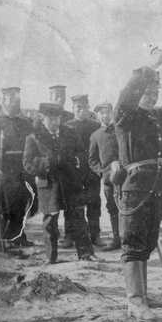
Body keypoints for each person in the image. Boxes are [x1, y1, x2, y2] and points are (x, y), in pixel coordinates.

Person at [114, 48, 162, 322]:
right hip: (134, 187)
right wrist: (150, 66)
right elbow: (127, 94)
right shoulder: (125, 115)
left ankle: (142, 294)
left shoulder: (157, 117)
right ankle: (135, 302)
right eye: (147, 92)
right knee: (133, 242)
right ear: (138, 94)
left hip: (157, 184)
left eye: (155, 92)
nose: (152, 96)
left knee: (147, 241)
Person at [23, 103, 102, 264]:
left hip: (70, 182)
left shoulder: (70, 133)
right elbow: (28, 163)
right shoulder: (33, 138)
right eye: (50, 119)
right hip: (49, 184)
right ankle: (50, 257)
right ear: (42, 119)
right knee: (50, 221)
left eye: (57, 118)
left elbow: (82, 153)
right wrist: (48, 163)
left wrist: (76, 161)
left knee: (78, 217)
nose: (54, 122)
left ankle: (86, 254)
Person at [0, 87, 35, 247]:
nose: (13, 101)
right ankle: (7, 238)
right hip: (5, 167)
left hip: (23, 166)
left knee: (21, 201)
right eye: (10, 98)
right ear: (3, 100)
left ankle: (18, 236)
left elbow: (33, 144)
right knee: (6, 205)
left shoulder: (25, 122)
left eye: (16, 98)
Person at [65, 95, 104, 247]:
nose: (81, 110)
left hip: (92, 170)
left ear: (89, 109)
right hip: (73, 171)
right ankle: (69, 235)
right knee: (71, 204)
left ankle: (95, 235)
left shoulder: (95, 126)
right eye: (78, 107)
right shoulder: (67, 126)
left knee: (94, 202)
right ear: (73, 109)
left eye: (84, 107)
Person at [88, 102, 121, 251]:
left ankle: (131, 239)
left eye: (108, 112)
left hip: (126, 177)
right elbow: (92, 160)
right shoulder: (95, 135)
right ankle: (117, 239)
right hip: (109, 181)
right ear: (97, 116)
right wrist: (102, 172)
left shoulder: (121, 130)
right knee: (113, 208)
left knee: (128, 207)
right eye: (101, 113)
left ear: (112, 113)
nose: (105, 115)